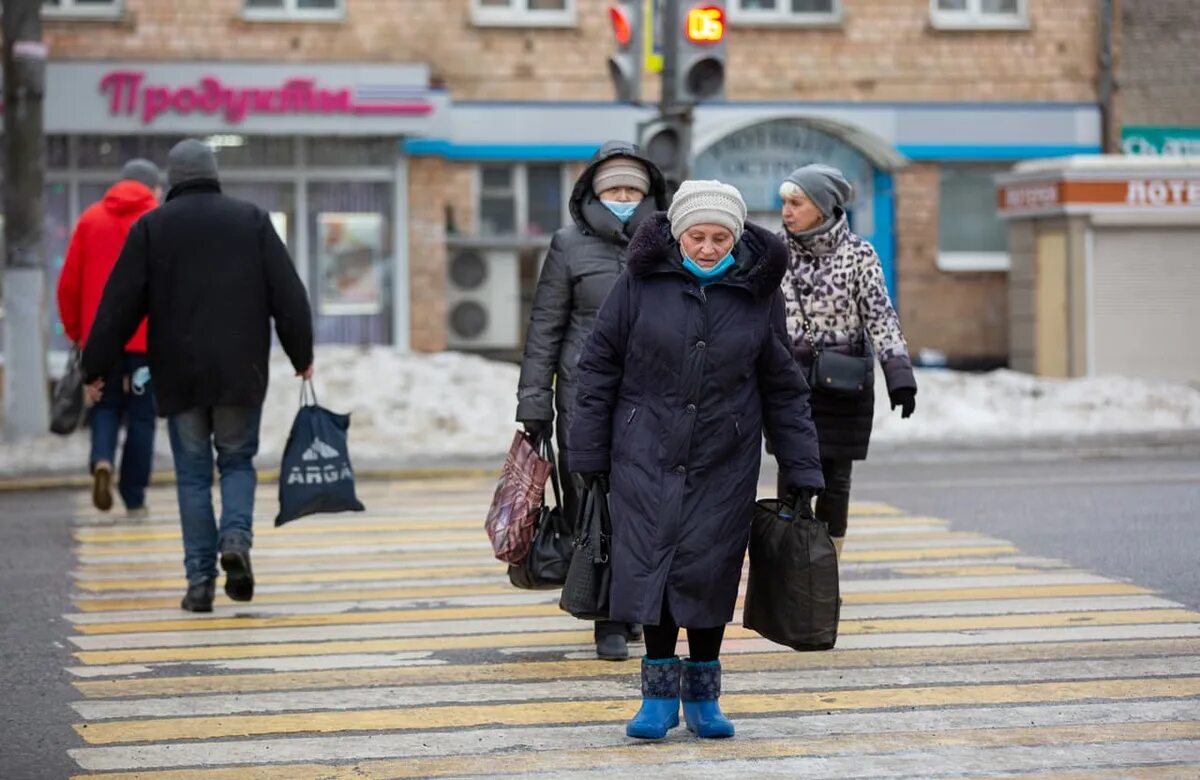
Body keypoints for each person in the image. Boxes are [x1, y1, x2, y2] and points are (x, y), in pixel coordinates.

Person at [568, 180, 824, 740]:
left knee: (710, 572)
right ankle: (657, 699)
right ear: (678, 234)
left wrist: (802, 469)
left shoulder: (758, 293)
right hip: (643, 452)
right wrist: (586, 452)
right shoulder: (638, 284)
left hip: (723, 457)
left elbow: (784, 388)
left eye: (719, 237)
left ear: (734, 238)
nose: (707, 247)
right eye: (697, 235)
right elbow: (598, 370)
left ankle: (704, 699)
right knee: (652, 571)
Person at [81, 139, 314, 613]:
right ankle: (235, 538)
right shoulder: (250, 220)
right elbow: (288, 294)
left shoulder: (152, 227)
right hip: (240, 371)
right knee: (236, 460)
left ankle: (200, 585)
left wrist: (96, 366)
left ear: (172, 179)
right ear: (213, 173)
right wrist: (300, 353)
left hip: (179, 373)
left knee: (191, 476)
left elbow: (117, 305)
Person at [516, 141, 669, 661]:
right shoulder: (567, 245)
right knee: (590, 504)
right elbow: (545, 328)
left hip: (652, 397)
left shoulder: (668, 241)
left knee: (643, 504)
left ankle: (633, 606)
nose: (624, 196)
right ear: (595, 194)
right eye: (614, 189)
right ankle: (606, 615)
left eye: (632, 188)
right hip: (585, 400)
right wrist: (534, 402)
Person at [777, 164, 917, 562]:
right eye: (785, 202)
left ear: (821, 207)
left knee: (836, 481)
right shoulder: (774, 251)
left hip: (844, 388)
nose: (787, 211)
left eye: (796, 202)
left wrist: (899, 375)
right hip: (791, 388)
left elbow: (881, 316)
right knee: (793, 478)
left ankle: (826, 565)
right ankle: (792, 566)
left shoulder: (859, 255)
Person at [57, 159, 163, 517]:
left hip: (100, 340)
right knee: (142, 415)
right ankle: (133, 496)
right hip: (145, 345)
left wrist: (77, 332)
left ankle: (102, 460)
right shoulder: (158, 221)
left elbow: (68, 283)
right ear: (152, 187)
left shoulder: (91, 219)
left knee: (104, 405)